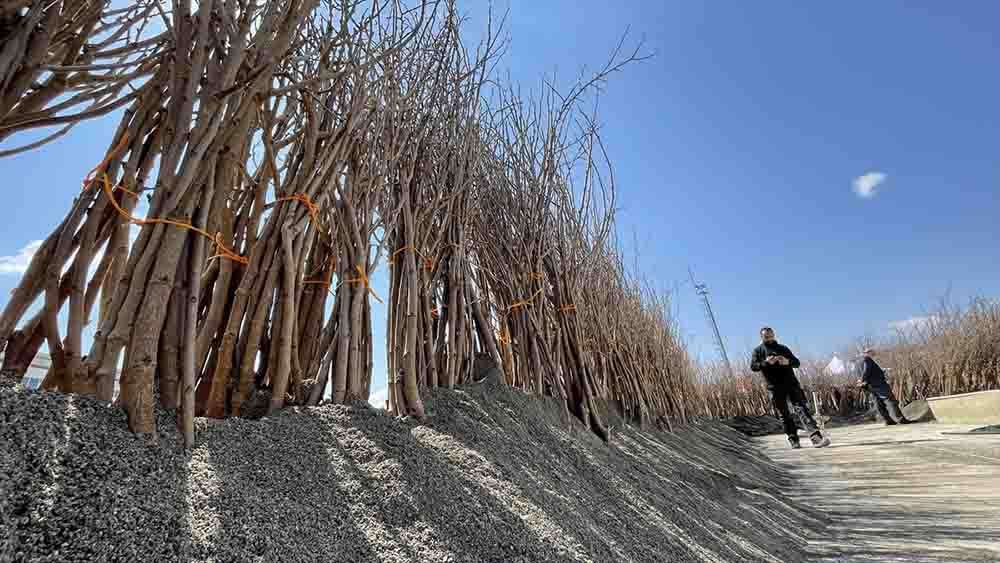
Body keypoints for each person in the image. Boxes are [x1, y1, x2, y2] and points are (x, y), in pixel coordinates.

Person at [750, 327, 831, 449]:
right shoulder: (758, 351)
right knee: (784, 414)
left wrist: (787, 362)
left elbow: (796, 363)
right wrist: (766, 363)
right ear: (761, 337)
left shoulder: (783, 348)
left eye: (771, 335)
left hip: (791, 384)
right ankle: (793, 440)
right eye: (766, 336)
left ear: (774, 335)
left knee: (801, 409)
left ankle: (816, 439)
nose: (769, 338)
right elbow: (753, 366)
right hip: (774, 387)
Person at [856, 349, 913, 425]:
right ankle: (901, 419)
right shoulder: (867, 359)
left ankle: (888, 420)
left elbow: (866, 372)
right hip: (878, 384)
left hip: (869, 385)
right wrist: (862, 380)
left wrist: (862, 381)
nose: (874, 353)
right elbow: (867, 370)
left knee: (878, 403)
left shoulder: (859, 363)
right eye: (872, 352)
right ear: (868, 353)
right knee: (890, 400)